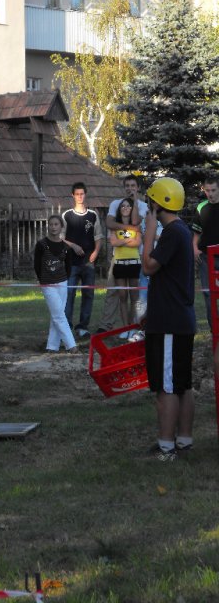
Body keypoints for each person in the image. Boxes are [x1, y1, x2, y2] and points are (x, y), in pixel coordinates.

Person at [142, 177, 196, 462]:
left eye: (150, 201)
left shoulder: (172, 232)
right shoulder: (181, 231)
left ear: (157, 204)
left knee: (167, 387)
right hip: (178, 319)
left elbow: (149, 267)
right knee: (182, 384)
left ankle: (167, 448)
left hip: (169, 325)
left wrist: (149, 233)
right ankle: (183, 441)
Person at [97, 175, 147, 333]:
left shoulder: (143, 206)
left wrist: (136, 202)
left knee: (135, 296)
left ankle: (135, 325)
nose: (130, 188)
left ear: (138, 187)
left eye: (133, 185)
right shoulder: (116, 204)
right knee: (115, 292)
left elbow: (135, 222)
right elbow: (110, 223)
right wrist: (131, 231)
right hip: (117, 258)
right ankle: (107, 325)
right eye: (127, 185)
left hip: (136, 257)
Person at [62, 182, 103, 339]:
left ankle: (83, 326)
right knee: (69, 294)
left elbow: (98, 236)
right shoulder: (67, 215)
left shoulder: (93, 215)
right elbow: (60, 237)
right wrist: (73, 246)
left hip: (88, 262)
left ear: (85, 194)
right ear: (73, 196)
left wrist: (96, 252)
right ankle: (66, 326)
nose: (80, 196)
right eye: (77, 194)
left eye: (82, 194)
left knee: (88, 294)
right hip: (71, 263)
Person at [34, 215, 78, 354]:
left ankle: (52, 346)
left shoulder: (66, 247)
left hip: (62, 282)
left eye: (56, 224)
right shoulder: (41, 244)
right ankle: (71, 345)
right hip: (47, 284)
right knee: (59, 315)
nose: (53, 227)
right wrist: (42, 280)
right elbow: (37, 265)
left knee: (57, 314)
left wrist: (64, 278)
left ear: (61, 227)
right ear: (48, 226)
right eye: (51, 224)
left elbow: (69, 266)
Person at [109, 198, 142, 335]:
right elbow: (113, 242)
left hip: (134, 263)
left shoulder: (137, 225)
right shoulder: (115, 225)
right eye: (123, 206)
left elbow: (137, 243)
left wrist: (121, 241)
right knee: (122, 296)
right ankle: (124, 328)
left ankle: (132, 326)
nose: (125, 208)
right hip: (119, 263)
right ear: (119, 208)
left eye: (128, 206)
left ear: (132, 209)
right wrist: (129, 239)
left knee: (134, 296)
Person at [191, 175, 219, 331]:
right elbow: (196, 232)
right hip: (206, 258)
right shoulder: (201, 207)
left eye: (214, 190)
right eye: (207, 190)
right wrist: (194, 249)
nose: (210, 194)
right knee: (209, 295)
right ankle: (214, 330)